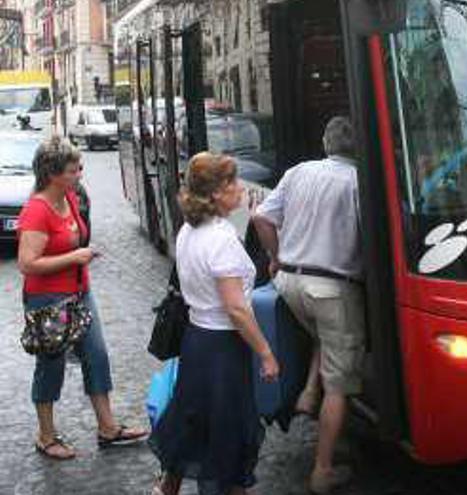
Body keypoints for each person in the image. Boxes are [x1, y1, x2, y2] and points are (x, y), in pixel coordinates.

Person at [150, 152, 280, 495]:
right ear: (216, 194)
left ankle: (166, 489)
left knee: (194, 421)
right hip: (223, 347)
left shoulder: (189, 231)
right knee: (229, 432)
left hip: (197, 341)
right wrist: (265, 352)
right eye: (232, 183)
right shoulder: (220, 239)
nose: (239, 188)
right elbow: (236, 308)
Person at [17, 136, 148, 461]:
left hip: (79, 292)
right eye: (75, 169)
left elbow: (76, 237)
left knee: (97, 355)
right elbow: (27, 264)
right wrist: (75, 257)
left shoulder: (71, 198)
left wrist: (80, 258)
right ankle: (46, 436)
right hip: (47, 299)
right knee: (51, 365)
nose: (80, 174)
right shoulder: (37, 210)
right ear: (53, 174)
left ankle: (107, 427)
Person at [253, 116, 364, 494]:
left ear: (324, 141)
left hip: (290, 284)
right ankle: (323, 469)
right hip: (332, 289)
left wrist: (276, 256)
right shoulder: (358, 182)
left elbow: (261, 217)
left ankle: (306, 394)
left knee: (322, 336)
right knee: (341, 383)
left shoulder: (299, 171)